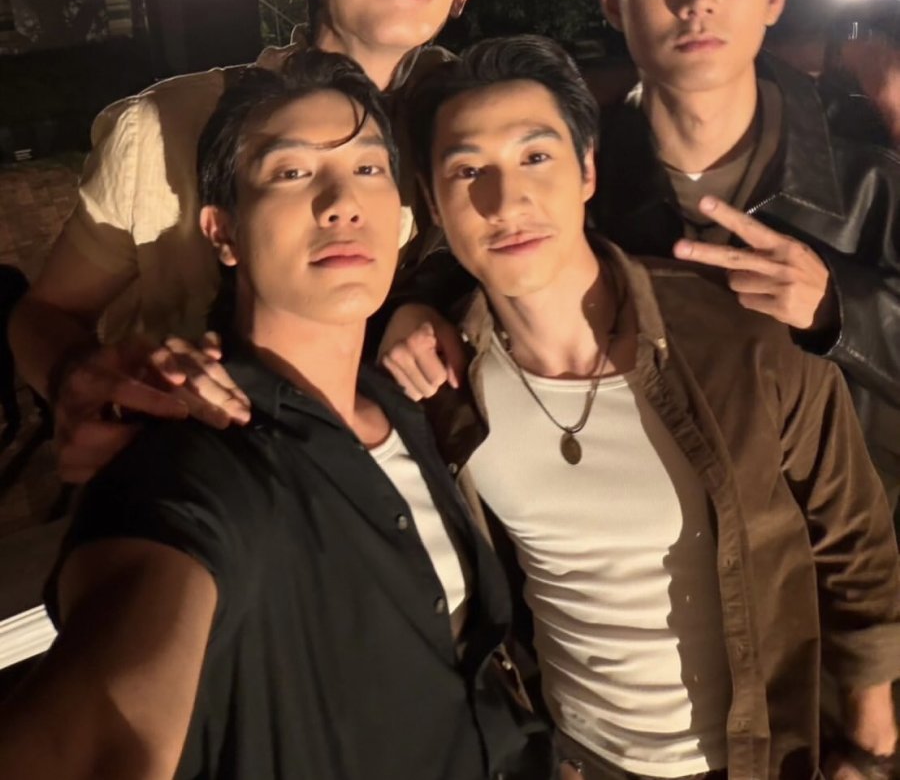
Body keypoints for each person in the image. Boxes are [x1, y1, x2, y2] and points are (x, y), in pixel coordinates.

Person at [0, 51, 551, 780]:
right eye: (291, 172)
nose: (341, 202)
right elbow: (103, 717)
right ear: (221, 231)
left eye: (368, 168)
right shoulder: (193, 458)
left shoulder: (402, 404)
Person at [395, 35, 900, 780]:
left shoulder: (742, 336)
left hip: (756, 757)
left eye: (536, 156)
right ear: (434, 199)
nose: (506, 202)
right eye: (468, 171)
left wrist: (872, 745)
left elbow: (852, 536)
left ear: (587, 170)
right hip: (572, 755)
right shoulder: (440, 380)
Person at [380, 0, 900, 504]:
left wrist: (838, 307)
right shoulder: (572, 179)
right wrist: (410, 311)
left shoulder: (872, 180)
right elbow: (467, 257)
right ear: (612, 1)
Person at [9, 0, 476, 482]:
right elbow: (45, 313)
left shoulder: (471, 130)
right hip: (216, 485)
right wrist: (75, 379)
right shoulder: (169, 125)